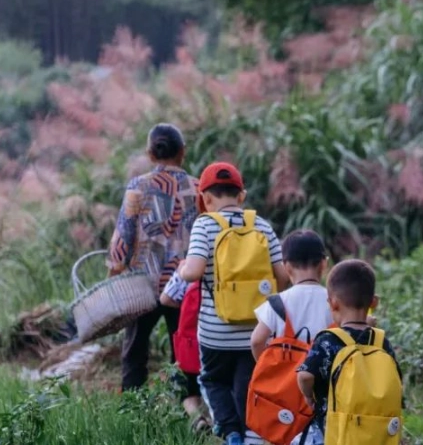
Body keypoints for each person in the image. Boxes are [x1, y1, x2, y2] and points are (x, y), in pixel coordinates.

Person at [180, 161, 290, 445]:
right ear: (241, 196)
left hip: (215, 332)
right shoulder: (262, 226)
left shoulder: (204, 224)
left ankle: (230, 432)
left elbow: (192, 272)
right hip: (255, 331)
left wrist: (181, 268)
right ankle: (249, 432)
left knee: (212, 380)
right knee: (246, 386)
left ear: (206, 198)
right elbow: (283, 277)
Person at [105, 124, 206, 430]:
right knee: (185, 348)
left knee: (135, 349)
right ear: (183, 151)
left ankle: (133, 415)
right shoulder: (198, 187)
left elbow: (124, 233)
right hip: (184, 285)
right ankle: (193, 413)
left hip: (143, 285)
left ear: (150, 154)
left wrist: (115, 270)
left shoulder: (137, 186)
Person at [296, 259, 402, 443]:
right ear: (373, 302)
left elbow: (305, 376)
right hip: (376, 435)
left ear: (333, 303)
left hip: (332, 434)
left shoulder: (328, 340)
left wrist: (308, 395)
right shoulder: (380, 341)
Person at [250, 230, 332, 360]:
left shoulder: (277, 303)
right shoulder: (335, 300)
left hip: (287, 377)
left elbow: (256, 341)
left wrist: (266, 368)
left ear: (286, 267)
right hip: (326, 377)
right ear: (324, 264)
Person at [161, 268, 213, 434]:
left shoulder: (186, 270)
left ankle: (198, 418)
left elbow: (165, 299)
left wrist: (183, 306)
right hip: (221, 340)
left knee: (188, 388)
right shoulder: (234, 265)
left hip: (192, 344)